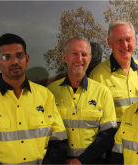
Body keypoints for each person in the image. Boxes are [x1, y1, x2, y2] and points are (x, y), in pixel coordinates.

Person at [0, 33, 68, 165]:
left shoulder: (45, 96)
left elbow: (59, 143)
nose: (15, 61)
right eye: (7, 57)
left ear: (27, 60)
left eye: (19, 55)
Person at [47, 37, 117, 165]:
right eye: (74, 53)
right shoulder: (50, 92)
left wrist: (80, 161)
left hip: (92, 162)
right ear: (64, 57)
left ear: (89, 59)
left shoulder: (102, 92)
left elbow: (108, 133)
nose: (79, 59)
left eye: (84, 54)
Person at [89, 19, 138, 124]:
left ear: (135, 40)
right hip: (115, 139)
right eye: (119, 40)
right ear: (109, 43)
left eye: (128, 39)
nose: (125, 45)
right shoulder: (97, 76)